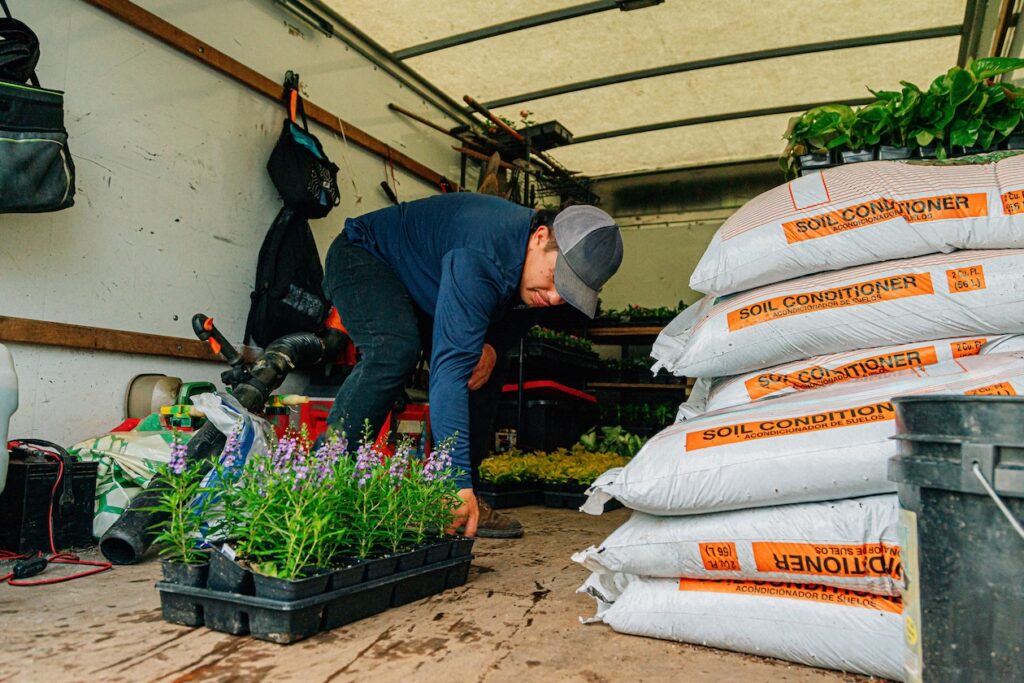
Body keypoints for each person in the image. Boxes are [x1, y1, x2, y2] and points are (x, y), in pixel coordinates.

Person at [322, 192, 623, 537]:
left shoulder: (536, 270)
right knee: (394, 351)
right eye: (556, 279)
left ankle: (459, 498)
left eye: (568, 292)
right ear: (540, 238)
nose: (555, 297)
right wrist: (456, 477)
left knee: (487, 365)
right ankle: (324, 481)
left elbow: (526, 314)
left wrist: (494, 346)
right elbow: (449, 370)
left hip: (426, 286)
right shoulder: (481, 255)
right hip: (365, 256)